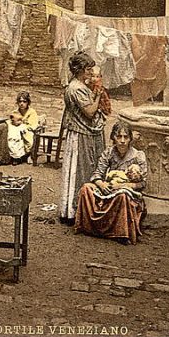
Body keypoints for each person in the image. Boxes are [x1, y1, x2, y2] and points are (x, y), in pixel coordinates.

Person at [74, 122, 148, 244]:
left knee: (122, 196)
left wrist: (122, 186)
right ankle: (88, 227)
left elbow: (142, 184)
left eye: (126, 137)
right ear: (113, 137)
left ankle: (120, 233)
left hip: (128, 192)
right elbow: (97, 174)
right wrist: (102, 184)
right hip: (109, 188)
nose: (122, 141)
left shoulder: (138, 156)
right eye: (119, 137)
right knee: (86, 189)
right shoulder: (108, 153)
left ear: (130, 139)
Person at [59, 52, 106, 224]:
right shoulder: (76, 88)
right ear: (79, 70)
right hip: (81, 135)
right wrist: (99, 95)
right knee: (80, 171)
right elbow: (90, 112)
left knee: (84, 171)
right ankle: (76, 210)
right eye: (87, 69)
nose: (90, 72)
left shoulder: (79, 85)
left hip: (84, 132)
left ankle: (82, 209)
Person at [7, 92, 40, 164]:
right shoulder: (15, 112)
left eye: (24, 101)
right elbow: (11, 121)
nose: (22, 103)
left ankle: (26, 154)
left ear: (28, 102)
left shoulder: (31, 112)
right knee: (12, 134)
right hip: (16, 130)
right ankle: (15, 155)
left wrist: (22, 126)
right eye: (20, 101)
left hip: (27, 129)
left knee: (24, 134)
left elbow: (33, 124)